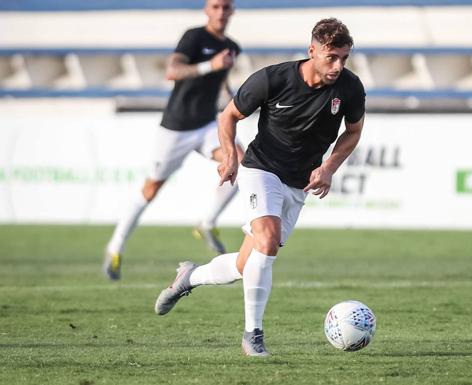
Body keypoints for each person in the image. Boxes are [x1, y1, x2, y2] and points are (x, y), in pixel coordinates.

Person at [153, 18, 366, 357]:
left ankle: (189, 278)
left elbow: (353, 131)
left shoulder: (350, 88)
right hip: (261, 169)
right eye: (331, 57)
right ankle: (253, 336)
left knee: (245, 264)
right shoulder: (273, 78)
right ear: (312, 51)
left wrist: (328, 166)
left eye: (344, 57)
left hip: (299, 184)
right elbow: (228, 116)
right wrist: (230, 159)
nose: (338, 65)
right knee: (267, 240)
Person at [103, 0, 245, 280]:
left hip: (206, 125)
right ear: (207, 10)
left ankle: (207, 222)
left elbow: (221, 81)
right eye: (215, 7)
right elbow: (173, 71)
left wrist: (233, 102)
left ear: (232, 11)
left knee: (241, 162)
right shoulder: (193, 38)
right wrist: (209, 65)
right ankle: (115, 247)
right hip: (176, 128)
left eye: (225, 7)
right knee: (152, 188)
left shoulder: (232, 46)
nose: (220, 12)